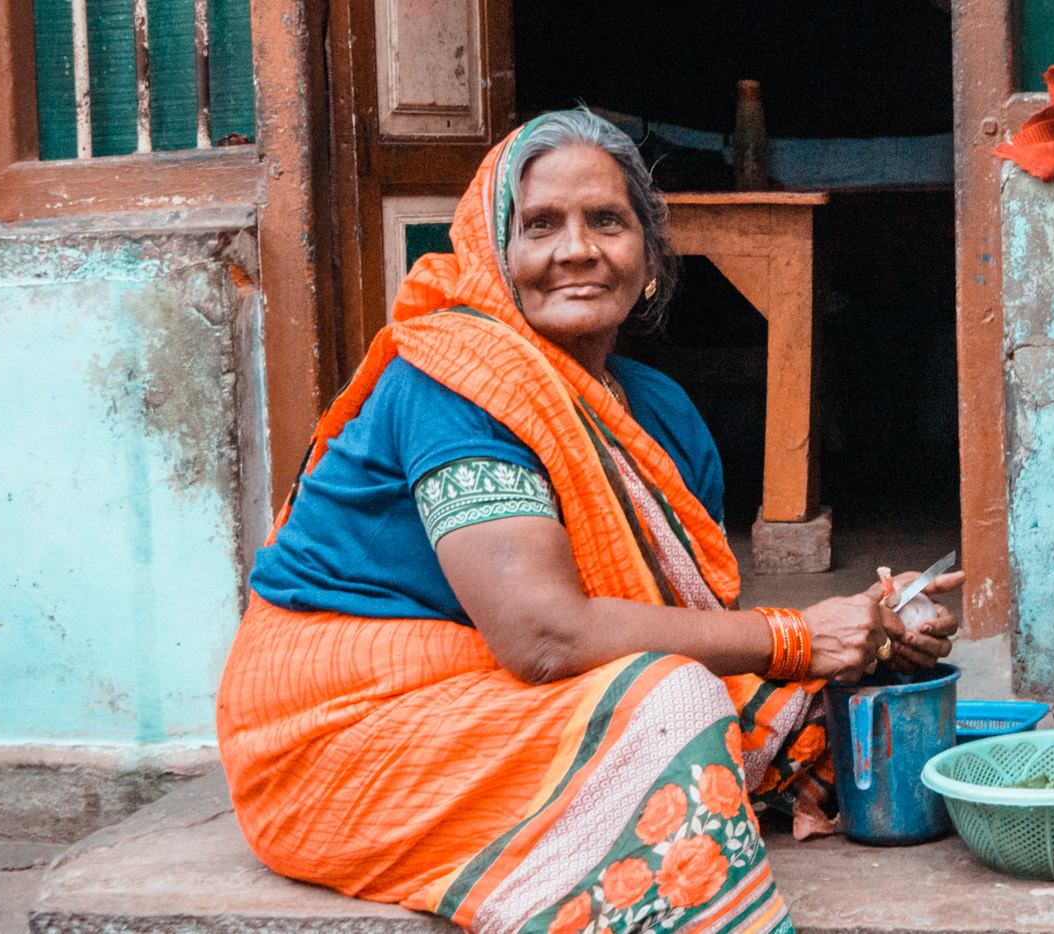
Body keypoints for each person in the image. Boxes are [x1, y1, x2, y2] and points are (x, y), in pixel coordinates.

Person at [216, 107, 962, 934]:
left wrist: (867, 632)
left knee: (848, 694)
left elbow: (683, 624)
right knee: (671, 702)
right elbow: (544, 638)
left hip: (488, 688)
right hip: (339, 728)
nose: (576, 249)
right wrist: (792, 637)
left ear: (649, 256)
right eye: (540, 225)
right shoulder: (455, 382)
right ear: (495, 256)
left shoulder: (662, 414)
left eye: (607, 221)